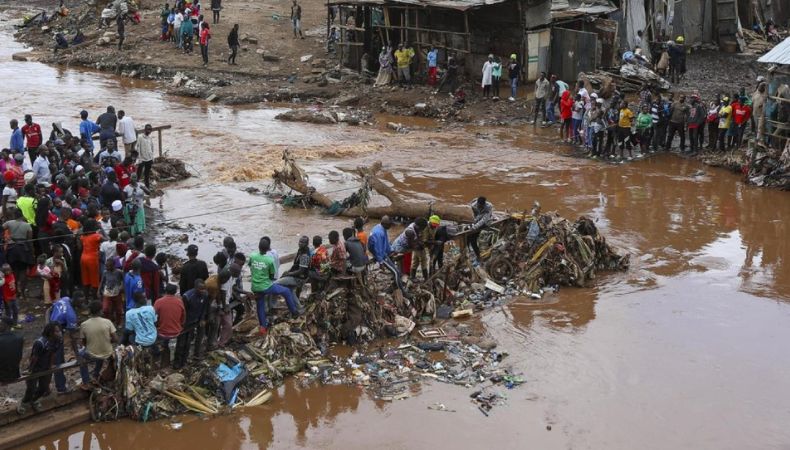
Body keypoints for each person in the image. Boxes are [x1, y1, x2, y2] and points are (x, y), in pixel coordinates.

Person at [250, 238, 301, 335]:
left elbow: (251, 268)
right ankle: (294, 312)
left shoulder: (252, 256)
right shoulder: (269, 260)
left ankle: (263, 327)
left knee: (260, 304)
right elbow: (272, 276)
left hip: (255, 287)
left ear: (258, 247)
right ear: (268, 248)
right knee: (286, 291)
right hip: (266, 286)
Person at [17, 322, 60, 414]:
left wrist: (50, 366)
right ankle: (24, 403)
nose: (59, 333)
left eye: (59, 331)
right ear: (50, 332)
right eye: (56, 331)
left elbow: (53, 353)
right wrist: (30, 370)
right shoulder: (40, 343)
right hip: (35, 368)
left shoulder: (57, 340)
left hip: (46, 368)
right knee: (31, 388)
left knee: (44, 387)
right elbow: (34, 358)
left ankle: (34, 400)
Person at [48, 295, 81, 394]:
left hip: (50, 329)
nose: (82, 304)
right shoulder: (71, 315)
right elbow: (73, 338)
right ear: (76, 302)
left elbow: (50, 309)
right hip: (55, 335)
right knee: (57, 362)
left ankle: (46, 388)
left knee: (48, 361)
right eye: (81, 302)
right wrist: (77, 355)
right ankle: (61, 388)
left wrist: (48, 323)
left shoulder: (65, 298)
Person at [368, 216, 408, 296]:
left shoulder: (381, 228)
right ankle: (403, 292)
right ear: (385, 224)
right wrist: (380, 262)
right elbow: (378, 249)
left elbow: (385, 242)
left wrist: (391, 251)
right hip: (380, 255)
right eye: (390, 224)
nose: (391, 226)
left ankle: (394, 286)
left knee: (396, 270)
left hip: (383, 251)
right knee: (396, 273)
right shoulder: (379, 233)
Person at [78, 301, 116, 385]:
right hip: (108, 353)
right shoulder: (108, 322)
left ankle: (86, 381)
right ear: (100, 311)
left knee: (80, 354)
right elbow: (115, 339)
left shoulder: (84, 324)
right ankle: (96, 374)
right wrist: (107, 340)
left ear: (90, 311)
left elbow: (84, 342)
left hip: (93, 354)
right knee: (100, 350)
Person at [175, 279, 209, 367]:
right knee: (181, 343)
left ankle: (184, 361)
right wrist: (182, 324)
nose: (203, 291)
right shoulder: (187, 296)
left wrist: (202, 319)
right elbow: (182, 311)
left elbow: (204, 308)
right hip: (185, 323)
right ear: (195, 288)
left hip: (195, 321)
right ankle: (177, 363)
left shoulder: (205, 295)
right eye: (201, 289)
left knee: (188, 342)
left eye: (204, 289)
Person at [80, 220, 104, 300]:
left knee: (86, 280)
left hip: (83, 258)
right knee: (95, 281)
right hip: (92, 259)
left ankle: (86, 299)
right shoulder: (96, 236)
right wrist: (101, 230)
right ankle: (95, 299)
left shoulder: (83, 236)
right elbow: (106, 239)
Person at [468, 197, 493, 264]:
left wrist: (475, 227)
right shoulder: (474, 205)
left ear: (483, 205)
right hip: (477, 219)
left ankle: (478, 256)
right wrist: (473, 221)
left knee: (472, 238)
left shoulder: (488, 207)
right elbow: (473, 214)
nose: (479, 206)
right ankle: (469, 251)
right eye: (478, 205)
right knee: (468, 236)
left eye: (480, 206)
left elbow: (484, 220)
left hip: (486, 222)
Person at [99, 257, 124, 326]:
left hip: (117, 293)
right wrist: (99, 290)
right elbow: (102, 282)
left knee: (119, 310)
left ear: (113, 266)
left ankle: (119, 322)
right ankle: (108, 322)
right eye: (106, 266)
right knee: (105, 309)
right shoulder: (105, 272)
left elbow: (123, 280)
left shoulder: (119, 272)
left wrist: (122, 287)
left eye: (108, 266)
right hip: (107, 293)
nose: (106, 267)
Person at [0, 317, 23, 383]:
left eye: (0, 324)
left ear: (6, 325)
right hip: (15, 373)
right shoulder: (19, 337)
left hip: (2, 376)